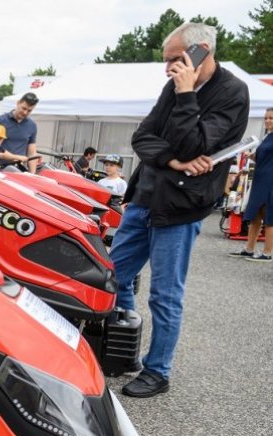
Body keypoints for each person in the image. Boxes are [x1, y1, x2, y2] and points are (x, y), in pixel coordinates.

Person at [111, 22, 249, 398]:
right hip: (145, 197)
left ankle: (159, 371)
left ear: (201, 50)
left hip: (182, 206)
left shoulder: (232, 92)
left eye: (174, 59)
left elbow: (196, 144)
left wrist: (186, 94)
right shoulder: (170, 86)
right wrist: (173, 161)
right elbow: (143, 137)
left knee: (165, 293)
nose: (168, 67)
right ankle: (125, 350)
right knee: (113, 276)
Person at [229, 107, 273, 262]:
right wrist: (252, 156)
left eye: (271, 118)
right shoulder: (268, 137)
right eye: (266, 118)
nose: (268, 120)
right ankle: (249, 249)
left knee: (270, 217)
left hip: (270, 182)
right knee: (255, 215)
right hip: (260, 180)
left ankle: (267, 253)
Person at [0, 92, 39, 172]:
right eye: (24, 108)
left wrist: (32, 174)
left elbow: (32, 153)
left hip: (19, 170)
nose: (25, 112)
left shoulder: (32, 125)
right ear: (18, 103)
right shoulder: (0, 121)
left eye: (29, 111)